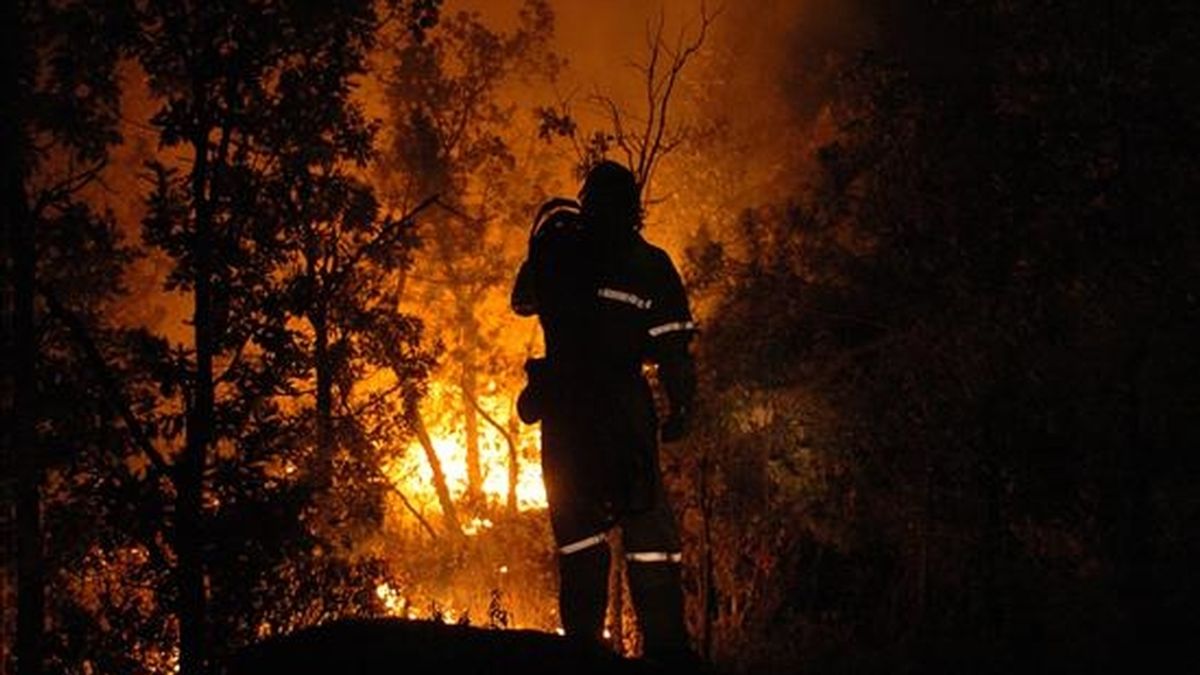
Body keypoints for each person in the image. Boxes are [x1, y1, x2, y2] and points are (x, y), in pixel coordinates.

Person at [511, 160, 698, 665]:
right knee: (648, 535)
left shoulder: (555, 255)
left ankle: (582, 653)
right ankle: (666, 652)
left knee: (579, 538)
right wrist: (682, 407)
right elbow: (675, 351)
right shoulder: (649, 264)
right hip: (621, 412)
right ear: (633, 210)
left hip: (565, 413)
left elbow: (521, 301)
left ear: (586, 201)